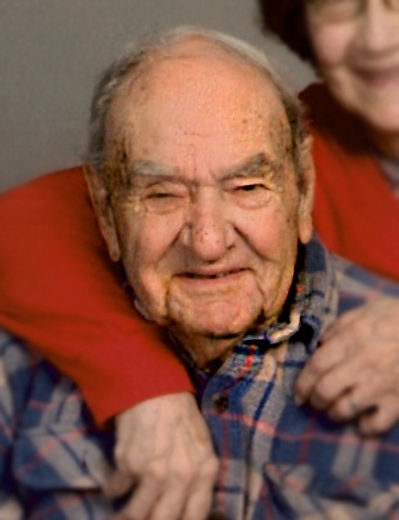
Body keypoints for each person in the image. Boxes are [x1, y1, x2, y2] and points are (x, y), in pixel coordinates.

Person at [2, 1, 399, 517]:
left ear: (302, 189)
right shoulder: (243, 117)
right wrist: (141, 382)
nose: (377, 38)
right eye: (340, 7)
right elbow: (30, 223)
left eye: (247, 186)